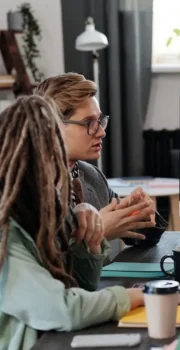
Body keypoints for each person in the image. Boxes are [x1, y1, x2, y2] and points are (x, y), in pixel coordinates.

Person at [0, 96, 145, 350]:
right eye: (55, 158)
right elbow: (62, 309)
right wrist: (131, 297)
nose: (64, 170)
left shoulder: (44, 210)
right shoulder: (6, 233)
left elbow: (84, 286)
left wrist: (89, 236)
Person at [34, 73, 167, 257]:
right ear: (52, 125)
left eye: (100, 121)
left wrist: (140, 214)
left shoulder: (91, 176)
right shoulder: (27, 185)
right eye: (88, 123)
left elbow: (141, 238)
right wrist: (98, 232)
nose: (101, 132)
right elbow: (36, 266)